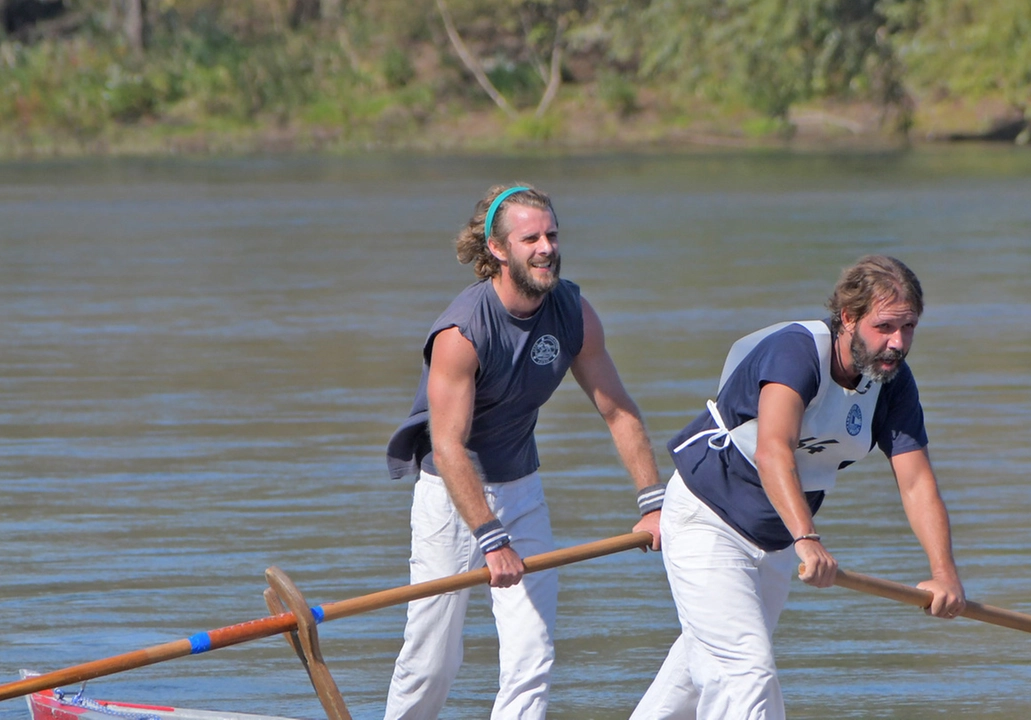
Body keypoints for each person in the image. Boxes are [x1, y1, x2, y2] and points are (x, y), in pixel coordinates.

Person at [631, 255, 966, 719]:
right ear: (848, 317)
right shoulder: (797, 352)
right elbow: (774, 451)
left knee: (696, 673)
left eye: (908, 327)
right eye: (885, 326)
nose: (897, 343)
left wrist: (944, 572)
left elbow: (917, 483)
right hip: (707, 521)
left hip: (774, 540)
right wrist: (808, 540)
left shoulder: (893, 383)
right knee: (748, 675)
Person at [383, 183, 664, 720]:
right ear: (497, 249)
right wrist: (491, 539)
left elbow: (619, 411)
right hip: (452, 498)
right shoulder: (462, 332)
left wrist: (653, 503)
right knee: (432, 658)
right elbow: (447, 445)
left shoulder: (574, 312)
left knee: (532, 653)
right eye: (530, 237)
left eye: (552, 235)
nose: (545, 247)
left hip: (522, 490)